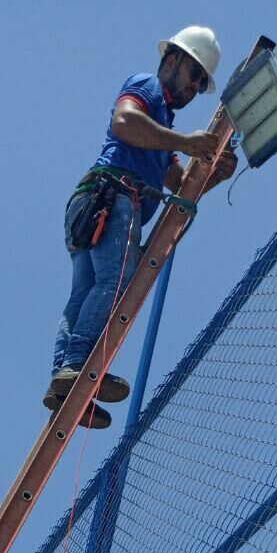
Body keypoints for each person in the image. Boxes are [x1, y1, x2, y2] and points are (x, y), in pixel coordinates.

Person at [47, 25, 238, 429]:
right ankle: (78, 364)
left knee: (85, 292)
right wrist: (187, 142)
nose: (195, 87)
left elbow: (180, 186)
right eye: (195, 75)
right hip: (113, 196)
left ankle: (64, 377)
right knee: (116, 279)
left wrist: (214, 173)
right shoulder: (148, 87)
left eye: (202, 83)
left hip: (95, 201)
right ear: (172, 59)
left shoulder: (163, 127)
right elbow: (123, 122)